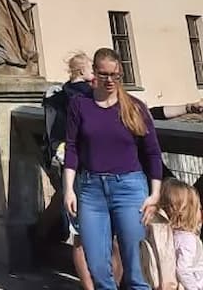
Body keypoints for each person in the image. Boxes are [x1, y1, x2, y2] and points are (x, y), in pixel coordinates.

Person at [65, 47, 163, 290]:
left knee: (137, 266)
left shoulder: (135, 107)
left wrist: (155, 195)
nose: (110, 80)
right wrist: (68, 189)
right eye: (104, 74)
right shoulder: (80, 105)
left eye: (115, 75)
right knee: (98, 266)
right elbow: (72, 148)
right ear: (94, 73)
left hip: (130, 188)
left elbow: (152, 152)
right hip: (91, 190)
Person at [44, 52, 108, 289]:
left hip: (70, 168)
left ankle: (89, 286)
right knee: (110, 234)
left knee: (80, 234)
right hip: (96, 167)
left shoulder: (56, 96)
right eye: (93, 69)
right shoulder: (90, 95)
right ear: (83, 72)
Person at [162, 179, 203, 290]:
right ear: (190, 212)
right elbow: (183, 270)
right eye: (199, 208)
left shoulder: (171, 234)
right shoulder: (188, 240)